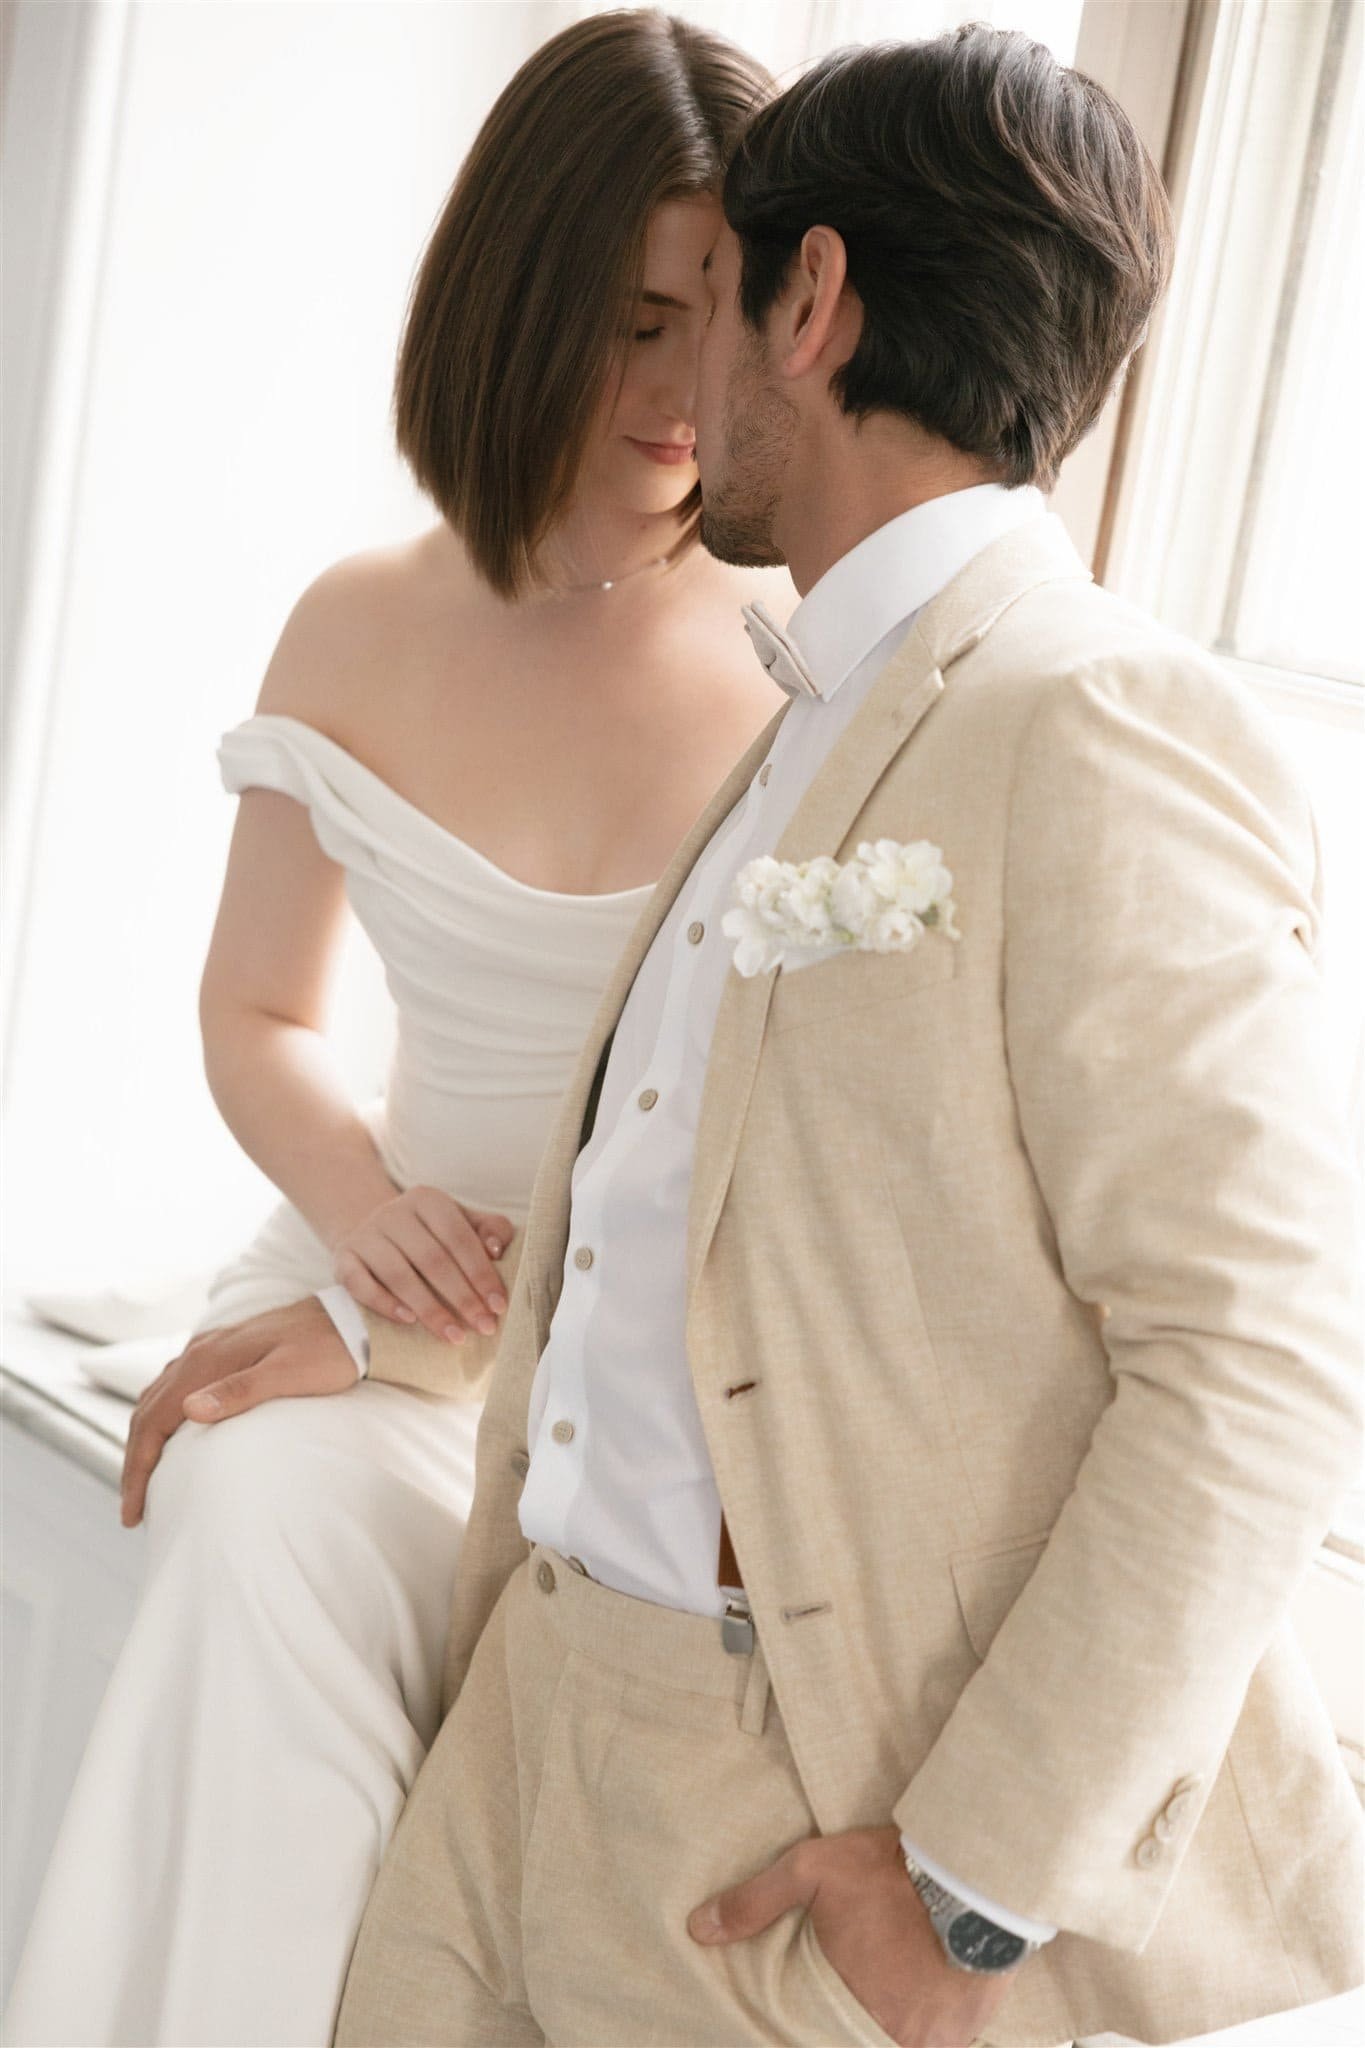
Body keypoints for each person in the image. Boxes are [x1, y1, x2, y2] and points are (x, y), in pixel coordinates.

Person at [323, 23, 1360, 2048]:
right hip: (527, 1716)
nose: (682, 392)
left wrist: (969, 1876)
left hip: (789, 1808)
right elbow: (690, 1209)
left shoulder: (1089, 722)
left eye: (705, 309)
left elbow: (1262, 1353)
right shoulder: (800, 701)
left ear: (807, 304)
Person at [2, 13, 789, 2046]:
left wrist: (417, 1313)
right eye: (631, 321)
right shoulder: (359, 618)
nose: (684, 394)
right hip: (389, 1272)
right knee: (245, 1519)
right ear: (512, 304)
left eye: (727, 324)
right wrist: (359, 1220)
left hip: (634, 1360)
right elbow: (258, 1008)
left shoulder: (813, 662)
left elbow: (762, 1161)